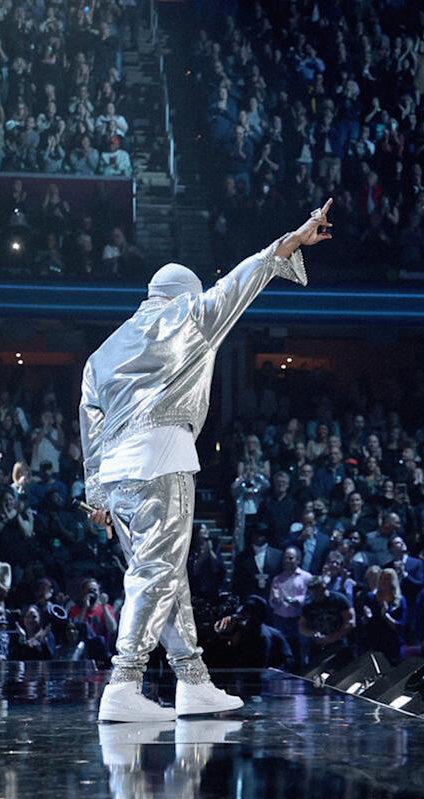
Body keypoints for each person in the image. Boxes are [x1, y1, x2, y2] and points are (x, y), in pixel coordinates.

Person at [82, 199, 333, 721]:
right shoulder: (190, 316)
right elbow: (241, 282)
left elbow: (92, 423)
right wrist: (291, 241)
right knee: (156, 573)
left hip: (117, 475)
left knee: (165, 575)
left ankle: (193, 680)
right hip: (162, 459)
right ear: (186, 294)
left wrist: (97, 493)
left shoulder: (102, 352)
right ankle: (124, 682)